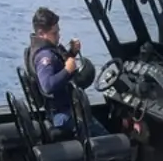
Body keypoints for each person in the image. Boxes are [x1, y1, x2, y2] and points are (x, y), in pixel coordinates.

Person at [26, 7, 110, 138]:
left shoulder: (44, 49)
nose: (58, 36)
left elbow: (56, 66)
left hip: (64, 108)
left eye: (58, 31)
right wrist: (67, 70)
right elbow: (47, 85)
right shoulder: (44, 57)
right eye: (54, 33)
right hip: (60, 115)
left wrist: (72, 53)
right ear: (41, 33)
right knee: (105, 137)